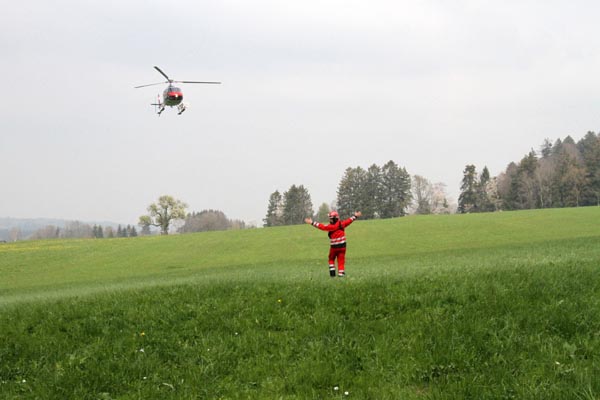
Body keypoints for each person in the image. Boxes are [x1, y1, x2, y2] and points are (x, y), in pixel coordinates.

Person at [304, 210, 362, 277]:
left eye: (331, 218)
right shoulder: (342, 224)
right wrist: (355, 216)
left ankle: (332, 274)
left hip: (334, 247)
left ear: (334, 219)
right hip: (343, 246)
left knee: (331, 259)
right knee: (341, 260)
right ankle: (341, 273)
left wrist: (312, 222)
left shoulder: (331, 227)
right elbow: (349, 220)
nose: (330, 220)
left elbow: (322, 227)